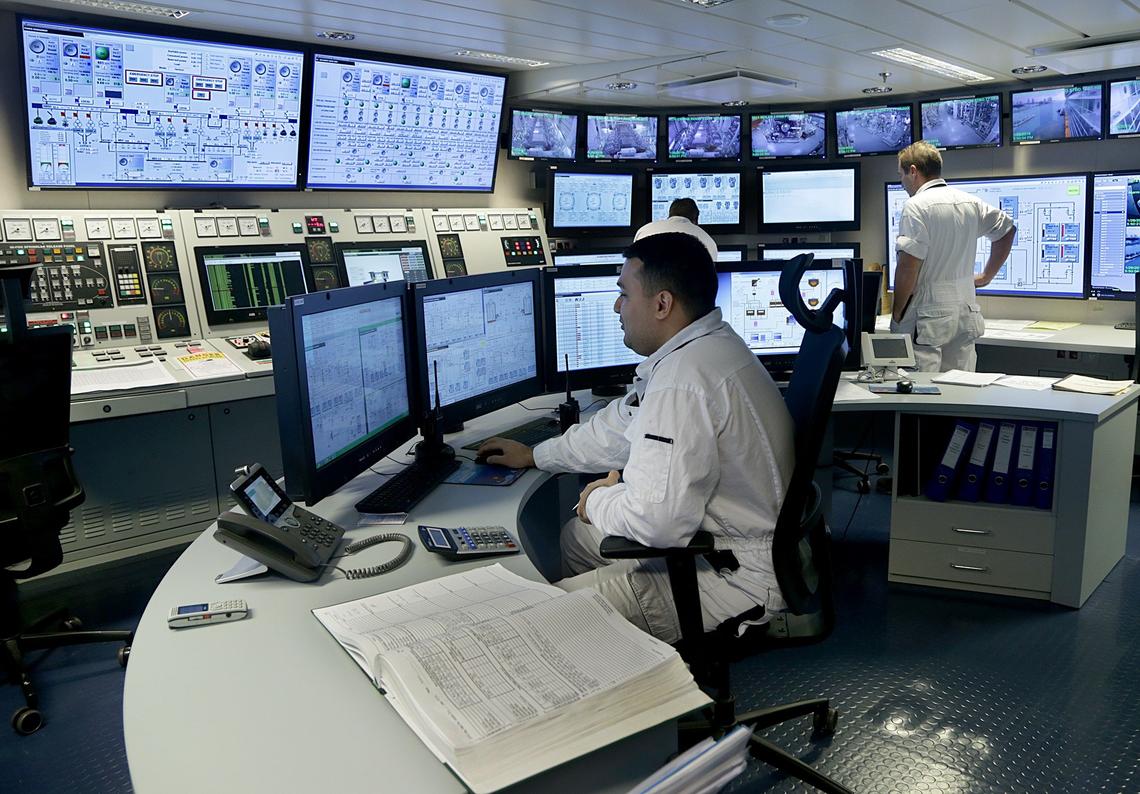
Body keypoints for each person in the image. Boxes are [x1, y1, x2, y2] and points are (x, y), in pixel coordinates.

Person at [477, 233, 794, 643]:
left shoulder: (683, 382)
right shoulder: (709, 345)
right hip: (732, 545)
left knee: (543, 622)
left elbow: (657, 523)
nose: (616, 306)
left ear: (662, 304)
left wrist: (596, 499)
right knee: (575, 538)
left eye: (624, 294)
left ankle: (618, 646)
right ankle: (621, 652)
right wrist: (536, 455)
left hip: (731, 579)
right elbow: (620, 430)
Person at [891, 140, 1016, 372]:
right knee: (960, 386)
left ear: (913, 171)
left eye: (902, 175)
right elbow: (1007, 230)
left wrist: (897, 314)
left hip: (928, 312)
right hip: (965, 309)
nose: (902, 182)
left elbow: (908, 266)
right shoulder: (970, 202)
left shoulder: (915, 206)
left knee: (921, 387)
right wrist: (986, 276)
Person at [633, 197, 719, 261]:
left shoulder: (644, 231)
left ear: (670, 214)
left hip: (647, 279)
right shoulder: (708, 240)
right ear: (696, 220)